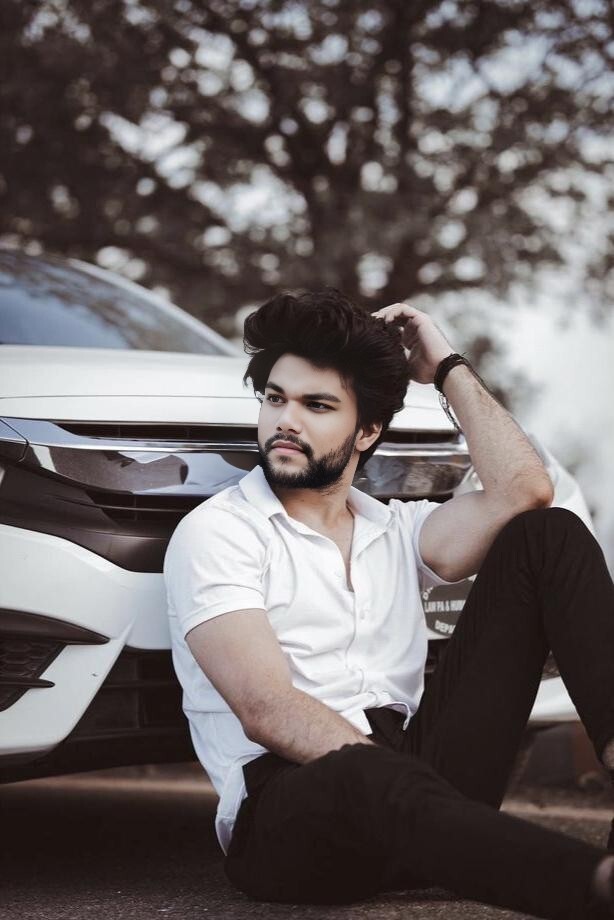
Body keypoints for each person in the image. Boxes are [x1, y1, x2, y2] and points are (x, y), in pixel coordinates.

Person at [164, 289, 614, 919]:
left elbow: (526, 491)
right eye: (275, 398)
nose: (286, 421)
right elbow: (267, 710)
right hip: (294, 810)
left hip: (419, 793)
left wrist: (447, 368)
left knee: (550, 534)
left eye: (317, 405)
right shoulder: (220, 531)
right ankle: (593, 887)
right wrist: (411, 794)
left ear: (368, 430)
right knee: (360, 773)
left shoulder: (397, 530)